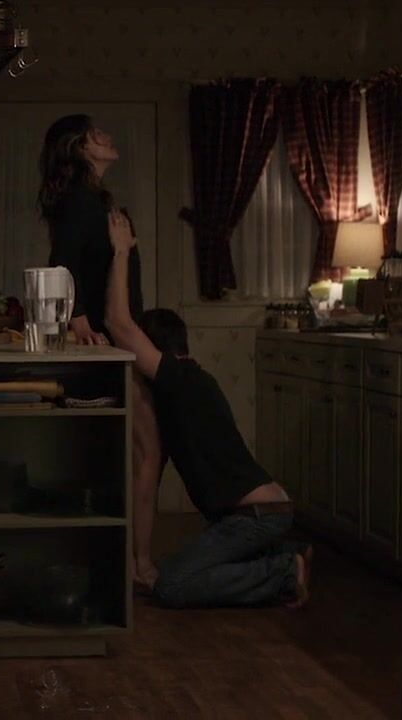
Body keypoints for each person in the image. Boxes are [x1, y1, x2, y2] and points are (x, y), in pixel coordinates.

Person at [102, 211, 312, 609]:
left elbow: (118, 323)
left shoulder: (182, 380)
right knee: (171, 573)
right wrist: (140, 561)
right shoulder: (183, 392)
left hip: (256, 515)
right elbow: (146, 484)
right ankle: (280, 553)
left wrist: (121, 252)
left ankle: (284, 569)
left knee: (172, 585)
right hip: (256, 513)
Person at [37, 114, 163, 590]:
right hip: (112, 344)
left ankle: (129, 561)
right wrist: (78, 319)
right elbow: (60, 266)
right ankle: (138, 565)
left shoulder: (92, 199)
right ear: (79, 148)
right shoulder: (81, 201)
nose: (107, 136)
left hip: (121, 338)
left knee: (137, 452)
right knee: (145, 451)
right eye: (95, 134)